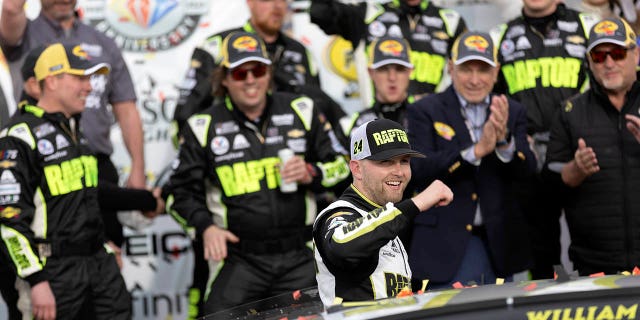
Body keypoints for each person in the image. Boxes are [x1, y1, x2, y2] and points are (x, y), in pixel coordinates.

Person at [166, 31, 351, 315]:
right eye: (240, 73)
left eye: (258, 70)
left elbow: (344, 165)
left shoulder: (302, 110)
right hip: (239, 259)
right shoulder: (202, 126)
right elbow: (177, 193)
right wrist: (206, 227)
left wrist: (312, 172)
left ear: (269, 73)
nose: (250, 79)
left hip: (298, 255)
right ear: (224, 79)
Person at [0, 0, 146, 249]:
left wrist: (138, 167)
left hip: (95, 162)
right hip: (43, 163)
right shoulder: (25, 34)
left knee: (109, 252)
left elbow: (126, 107)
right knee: (52, 252)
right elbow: (12, 8)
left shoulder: (102, 42)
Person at [0, 42, 131, 320]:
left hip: (98, 267)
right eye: (80, 77)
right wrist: (36, 280)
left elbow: (82, 202)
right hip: (51, 272)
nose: (89, 86)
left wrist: (103, 244)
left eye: (90, 78)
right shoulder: (18, 136)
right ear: (52, 81)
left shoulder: (75, 131)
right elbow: (8, 219)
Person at [407, 31, 536, 289]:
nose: (475, 79)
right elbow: (418, 169)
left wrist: (503, 143)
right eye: (467, 69)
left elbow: (529, 173)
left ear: (496, 71)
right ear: (451, 68)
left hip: (500, 246)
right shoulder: (424, 109)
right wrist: (476, 151)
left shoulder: (513, 110)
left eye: (484, 69)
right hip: (442, 246)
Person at [490, 0, 599, 279]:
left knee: (595, 239)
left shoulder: (587, 25)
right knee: (539, 251)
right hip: (527, 157)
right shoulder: (499, 36)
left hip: (582, 150)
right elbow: (489, 96)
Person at [313, 118, 453, 307]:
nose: (399, 172)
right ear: (357, 169)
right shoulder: (338, 212)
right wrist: (417, 202)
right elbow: (342, 245)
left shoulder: (386, 216)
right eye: (386, 162)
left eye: (404, 161)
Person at [545, 17, 640, 276]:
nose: (609, 63)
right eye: (599, 56)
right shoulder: (570, 112)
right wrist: (574, 170)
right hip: (596, 267)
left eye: (618, 53)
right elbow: (548, 187)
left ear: (636, 54)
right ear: (589, 62)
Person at [174, 0, 344, 137]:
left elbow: (318, 114)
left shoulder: (300, 51)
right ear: (249, 2)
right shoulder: (217, 46)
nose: (277, 6)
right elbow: (185, 115)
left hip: (292, 160)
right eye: (267, 0)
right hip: (231, 155)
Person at [310, 0, 467, 99]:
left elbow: (468, 77)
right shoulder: (369, 14)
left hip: (430, 126)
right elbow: (319, 12)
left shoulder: (451, 21)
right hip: (380, 125)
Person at [337, 35, 413, 148]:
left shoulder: (426, 117)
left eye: (399, 69)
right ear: (371, 72)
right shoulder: (354, 126)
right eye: (383, 69)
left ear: (410, 72)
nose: (392, 77)